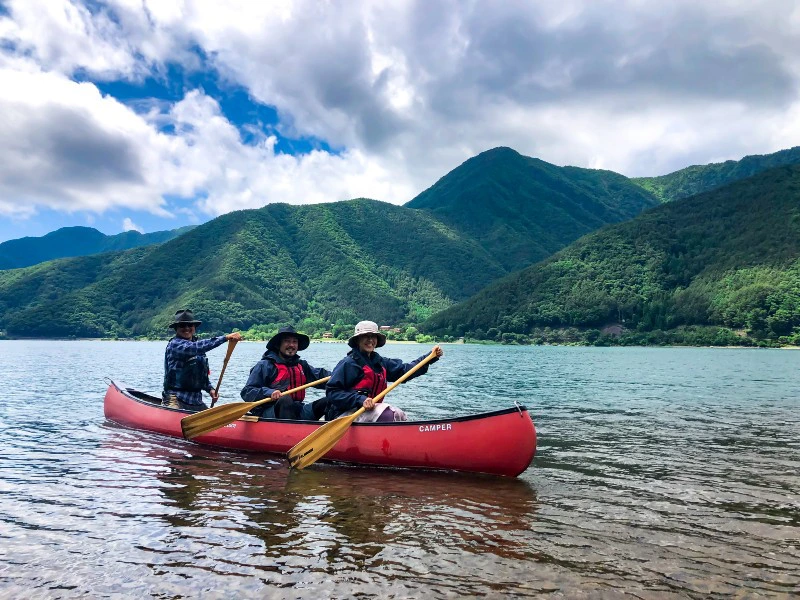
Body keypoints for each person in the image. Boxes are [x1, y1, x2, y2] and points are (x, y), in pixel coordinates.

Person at [325, 321, 444, 422]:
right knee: (390, 414)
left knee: (400, 416)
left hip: (366, 413)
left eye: (373, 336)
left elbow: (406, 370)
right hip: (342, 415)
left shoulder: (380, 362)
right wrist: (360, 400)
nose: (370, 340)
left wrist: (429, 358)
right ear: (357, 340)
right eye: (366, 336)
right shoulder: (348, 364)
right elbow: (332, 392)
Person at [240, 325, 331, 420]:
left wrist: (341, 378)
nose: (291, 345)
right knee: (285, 399)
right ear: (278, 344)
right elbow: (247, 391)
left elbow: (322, 376)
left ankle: (333, 432)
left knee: (331, 400)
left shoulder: (301, 365)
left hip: (298, 411)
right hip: (269, 413)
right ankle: (290, 432)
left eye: (294, 342)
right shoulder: (265, 365)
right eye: (287, 341)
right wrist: (270, 392)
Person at [162, 309, 243, 411]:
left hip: (196, 400)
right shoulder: (175, 344)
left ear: (194, 328)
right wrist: (225, 338)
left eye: (190, 325)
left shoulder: (198, 346)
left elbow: (200, 375)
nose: (186, 328)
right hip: (175, 398)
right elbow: (195, 347)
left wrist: (210, 389)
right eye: (182, 325)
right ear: (176, 329)